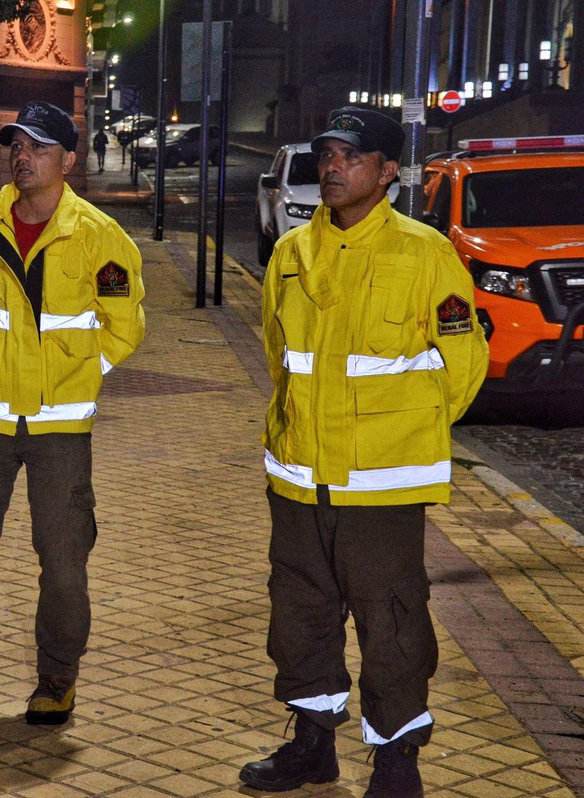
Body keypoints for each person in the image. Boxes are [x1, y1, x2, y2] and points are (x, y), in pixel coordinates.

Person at [240, 107, 488, 796]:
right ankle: (312, 743)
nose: (332, 167)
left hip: (382, 485)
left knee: (393, 621)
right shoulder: (292, 254)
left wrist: (404, 434)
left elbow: (463, 363)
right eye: (326, 154)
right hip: (298, 478)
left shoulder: (423, 253)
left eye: (351, 156)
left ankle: (398, 758)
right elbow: (280, 358)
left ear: (387, 172)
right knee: (299, 615)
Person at [0, 101, 145, 726]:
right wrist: (2, 366)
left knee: (63, 555)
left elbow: (123, 327)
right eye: (17, 145)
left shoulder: (102, 237)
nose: (23, 157)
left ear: (69, 160)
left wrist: (76, 374)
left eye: (40, 147)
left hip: (58, 425)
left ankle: (57, 679)